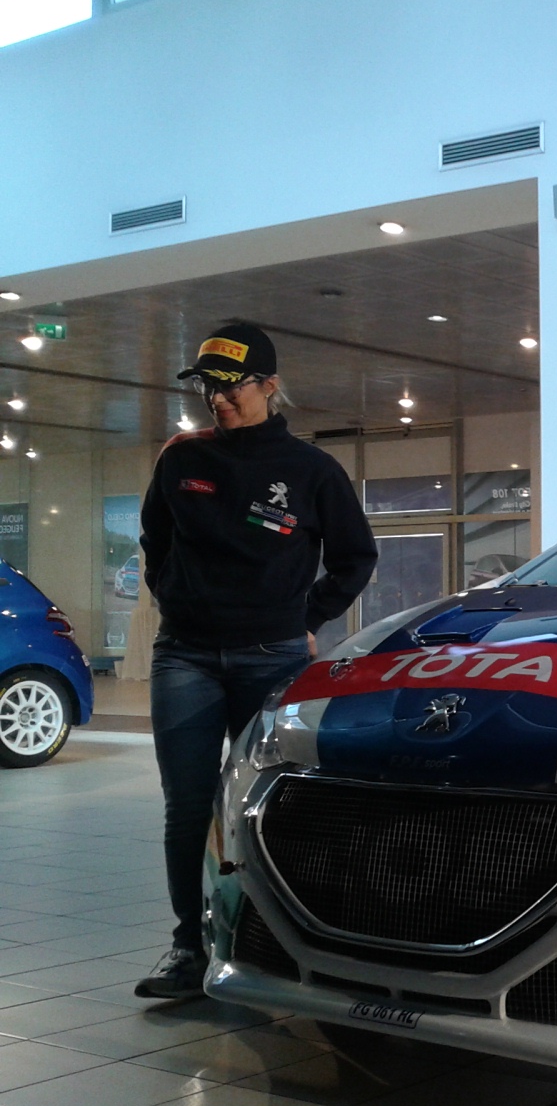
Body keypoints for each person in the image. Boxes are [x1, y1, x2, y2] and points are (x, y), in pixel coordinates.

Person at [135, 323, 377, 1000]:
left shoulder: (311, 470)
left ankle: (265, 944)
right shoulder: (182, 459)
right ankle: (188, 947)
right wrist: (174, 595)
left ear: (269, 386)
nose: (218, 399)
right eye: (207, 388)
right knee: (187, 807)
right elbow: (155, 541)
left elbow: (356, 557)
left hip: (270, 657)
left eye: (231, 387)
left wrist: (306, 618)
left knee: (264, 807)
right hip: (184, 654)